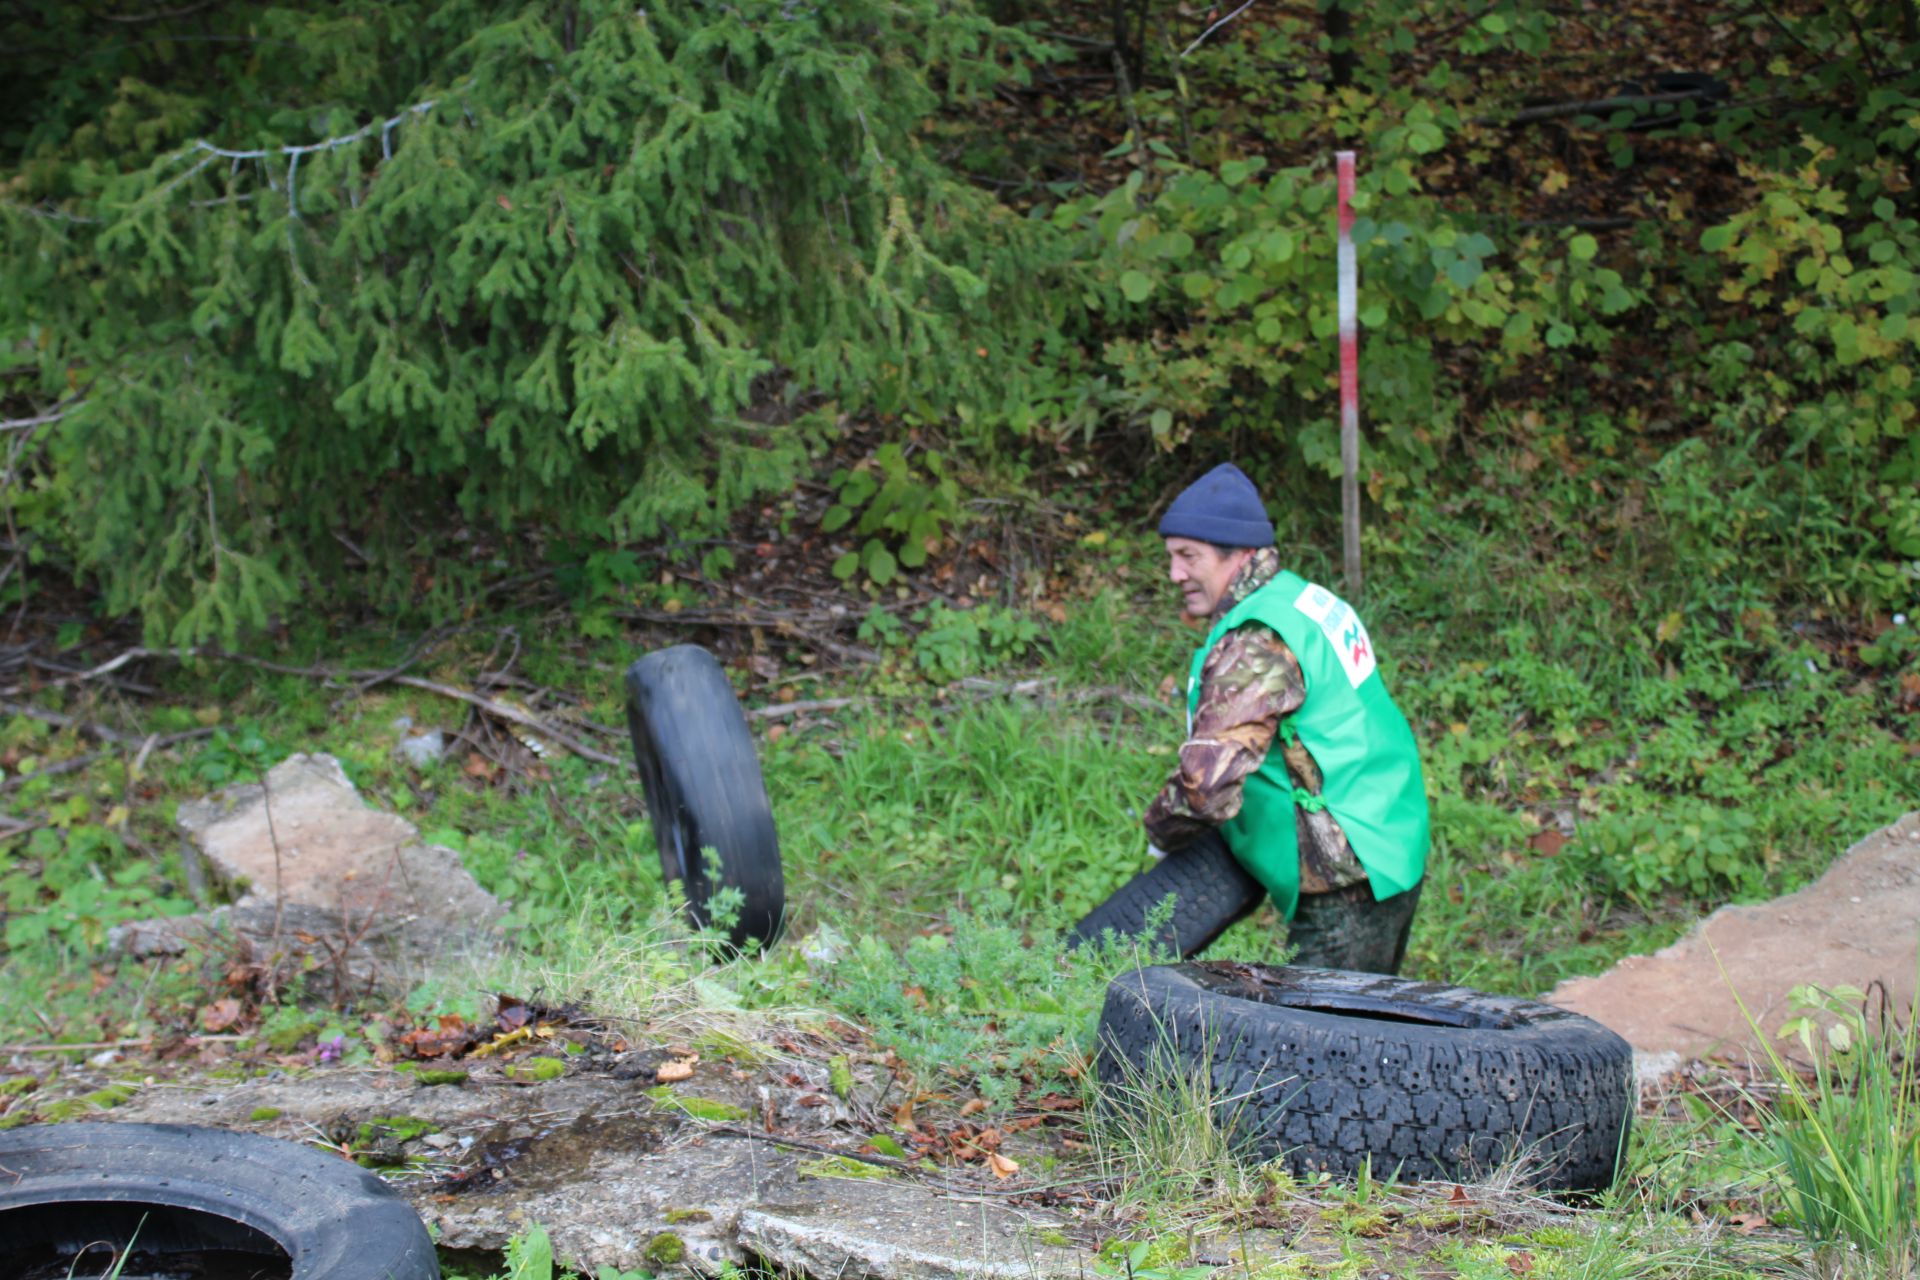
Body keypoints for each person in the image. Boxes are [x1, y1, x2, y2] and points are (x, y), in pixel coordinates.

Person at [1142, 463, 1430, 974]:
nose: (1175, 574)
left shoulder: (1257, 640)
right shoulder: (1300, 599)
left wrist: (1161, 831)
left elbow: (1207, 787)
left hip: (1346, 871)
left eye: (1189, 556)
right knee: (1370, 1027)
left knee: (1327, 1041)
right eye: (1170, 557)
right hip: (1389, 832)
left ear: (1241, 552)